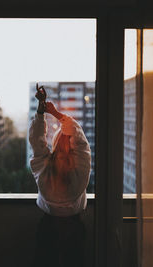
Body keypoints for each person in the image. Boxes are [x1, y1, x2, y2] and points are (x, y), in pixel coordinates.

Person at [29, 84, 91, 267]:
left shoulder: (44, 171)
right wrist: (55, 113)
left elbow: (37, 142)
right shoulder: (80, 173)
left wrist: (41, 112)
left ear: (54, 148)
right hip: (74, 227)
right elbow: (79, 141)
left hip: (48, 227)